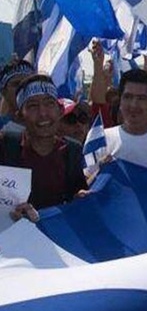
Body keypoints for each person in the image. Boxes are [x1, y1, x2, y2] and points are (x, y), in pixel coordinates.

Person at [0, 75, 87, 221]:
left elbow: (78, 203)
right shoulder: (5, 146)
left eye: (49, 104)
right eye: (33, 106)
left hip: (55, 240)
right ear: (20, 116)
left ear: (60, 111)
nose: (43, 114)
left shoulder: (72, 152)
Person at [0, 59, 35, 133]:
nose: (22, 88)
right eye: (16, 84)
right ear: (4, 91)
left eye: (28, 83)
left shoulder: (49, 125)